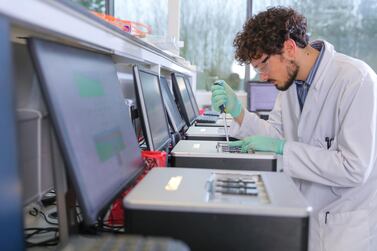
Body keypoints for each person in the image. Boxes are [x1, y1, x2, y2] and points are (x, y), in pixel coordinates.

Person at [211, 6, 377, 251]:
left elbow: (355, 167)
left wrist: (284, 149)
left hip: (345, 226)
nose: (263, 77)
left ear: (289, 48)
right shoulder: (290, 84)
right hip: (308, 215)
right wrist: (239, 113)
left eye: (264, 66)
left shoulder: (356, 80)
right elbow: (277, 135)